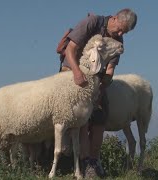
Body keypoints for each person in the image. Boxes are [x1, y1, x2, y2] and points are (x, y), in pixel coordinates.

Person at [59, 8, 137, 178]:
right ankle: (84, 162)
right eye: (121, 28)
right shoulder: (92, 23)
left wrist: (101, 87)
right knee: (82, 118)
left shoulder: (118, 39)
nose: (121, 33)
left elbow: (110, 70)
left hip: (95, 81)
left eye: (125, 31)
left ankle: (94, 161)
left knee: (100, 116)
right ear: (114, 18)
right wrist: (77, 74)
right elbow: (70, 50)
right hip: (71, 71)